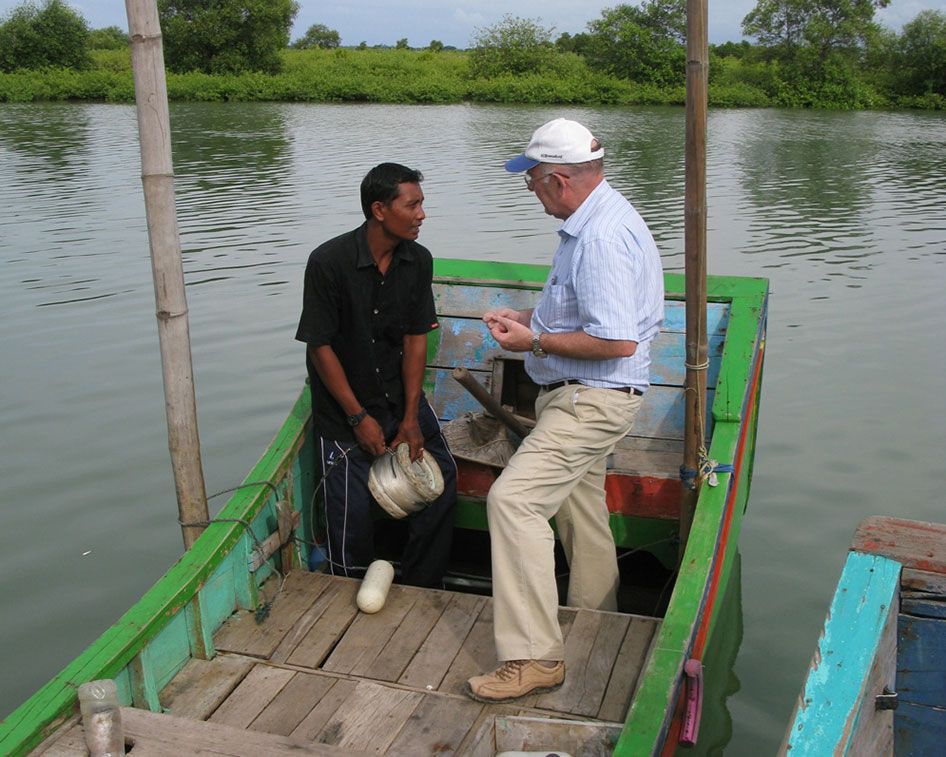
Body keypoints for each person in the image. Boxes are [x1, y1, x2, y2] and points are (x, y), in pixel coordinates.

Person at [467, 119, 664, 702]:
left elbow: (616, 341)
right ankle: (596, 619)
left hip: (591, 400)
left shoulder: (599, 238)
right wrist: (534, 320)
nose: (529, 190)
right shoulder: (600, 219)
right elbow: (598, 318)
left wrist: (535, 343)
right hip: (586, 396)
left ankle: (533, 657)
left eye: (531, 180)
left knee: (514, 502)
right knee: (580, 507)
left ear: (557, 179)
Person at [295, 162, 457, 589]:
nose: (422, 214)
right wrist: (356, 418)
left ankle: (423, 584)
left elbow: (415, 339)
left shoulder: (418, 260)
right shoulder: (328, 262)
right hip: (344, 407)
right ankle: (345, 585)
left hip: (398, 400)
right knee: (350, 516)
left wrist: (409, 418)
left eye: (422, 203)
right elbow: (320, 346)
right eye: (413, 204)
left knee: (442, 479)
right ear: (380, 210)